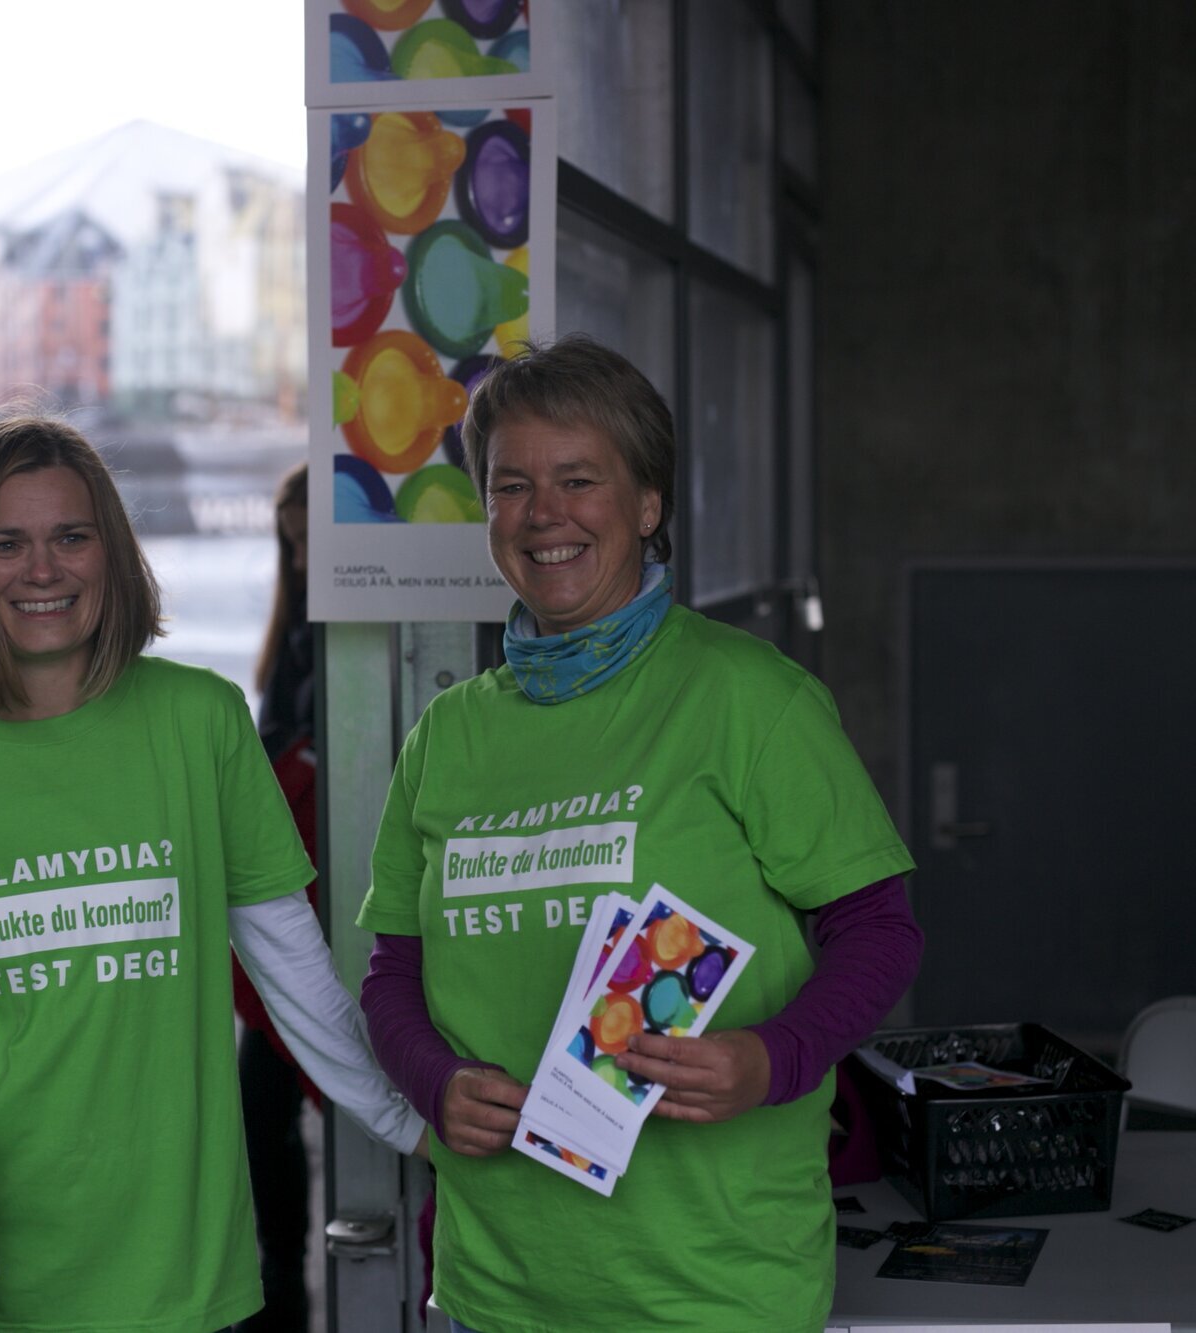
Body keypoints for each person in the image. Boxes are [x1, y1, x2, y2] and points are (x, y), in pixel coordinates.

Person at [0, 417, 423, 1332]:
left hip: (161, 1273)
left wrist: (412, 1122)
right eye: (6, 543)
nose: (42, 569)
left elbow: (292, 970)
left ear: (112, 552)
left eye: (71, 536)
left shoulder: (200, 723)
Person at [357, 335, 924, 1332]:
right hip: (500, 1288)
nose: (544, 513)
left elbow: (880, 932)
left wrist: (774, 1056)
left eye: (579, 479)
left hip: (712, 1289)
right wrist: (433, 1079)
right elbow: (391, 972)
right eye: (512, 485)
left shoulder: (748, 697)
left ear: (648, 505)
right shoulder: (446, 735)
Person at [231, 461, 316, 1331]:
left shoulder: (345, 640)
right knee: (261, 1099)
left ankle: (282, 1284)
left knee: (267, 1091)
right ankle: (279, 1280)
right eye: (290, 545)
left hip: (327, 894)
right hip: (290, 894)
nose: (302, 559)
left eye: (311, 540)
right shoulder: (294, 636)